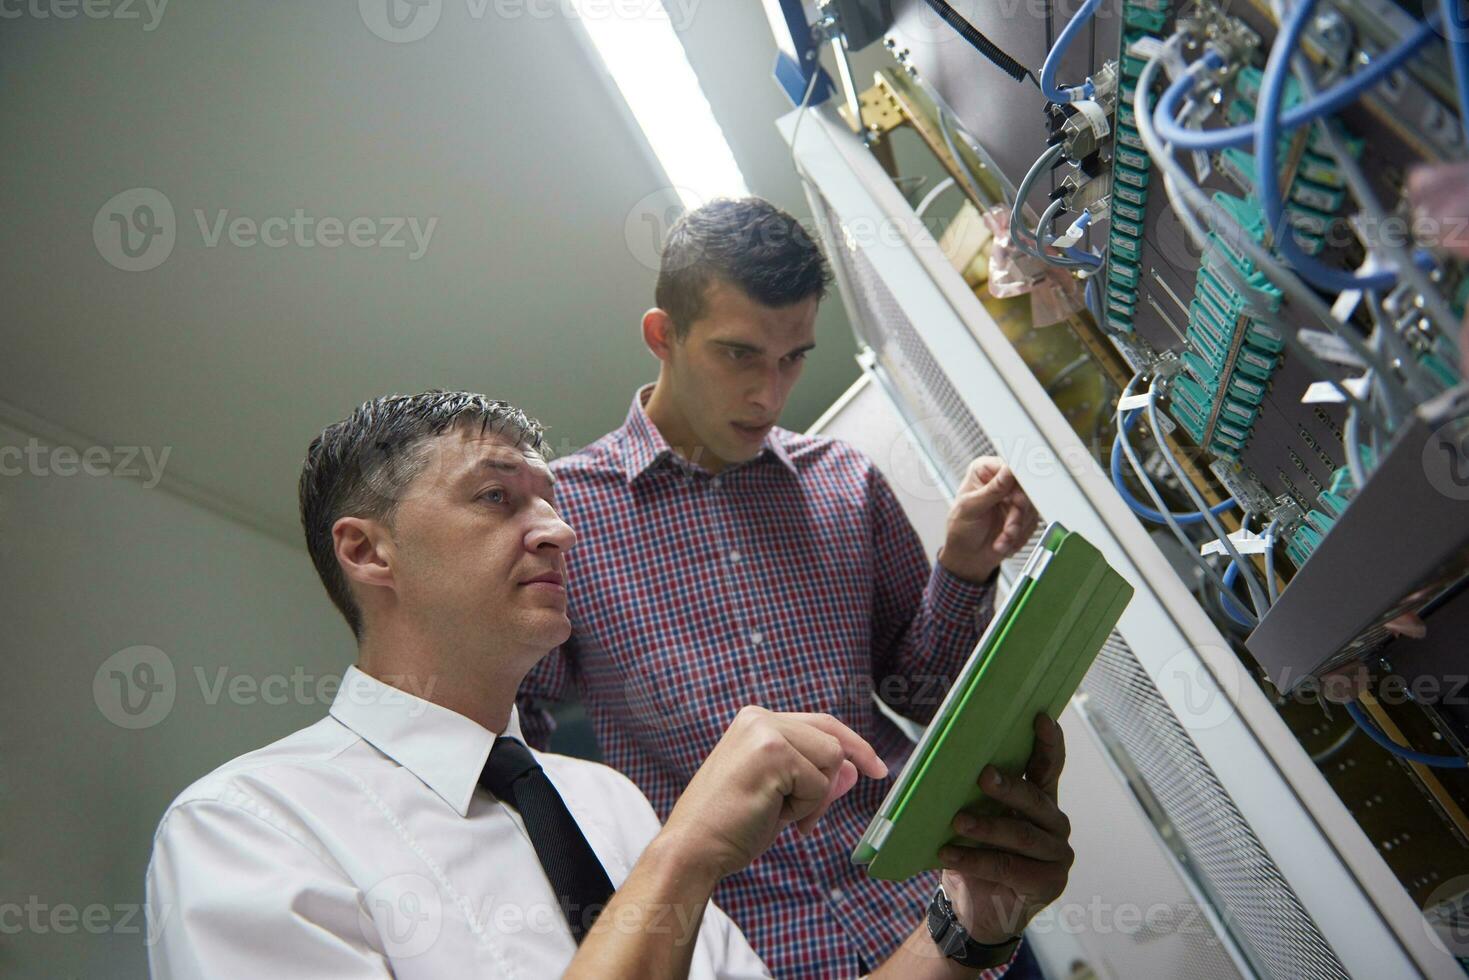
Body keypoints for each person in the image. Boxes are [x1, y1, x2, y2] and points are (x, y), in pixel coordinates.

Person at [144, 392, 1075, 979]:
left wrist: (969, 923)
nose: (557, 530)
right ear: (367, 549)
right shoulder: (249, 828)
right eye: (497, 496)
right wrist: (683, 859)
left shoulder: (605, 803)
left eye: (551, 500)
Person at [515, 198, 1043, 976]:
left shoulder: (845, 483)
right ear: (664, 336)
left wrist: (963, 567)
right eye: (739, 355)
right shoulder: (564, 518)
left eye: (792, 356)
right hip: (757, 955)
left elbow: (928, 694)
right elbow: (517, 741)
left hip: (941, 919)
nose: (770, 393)